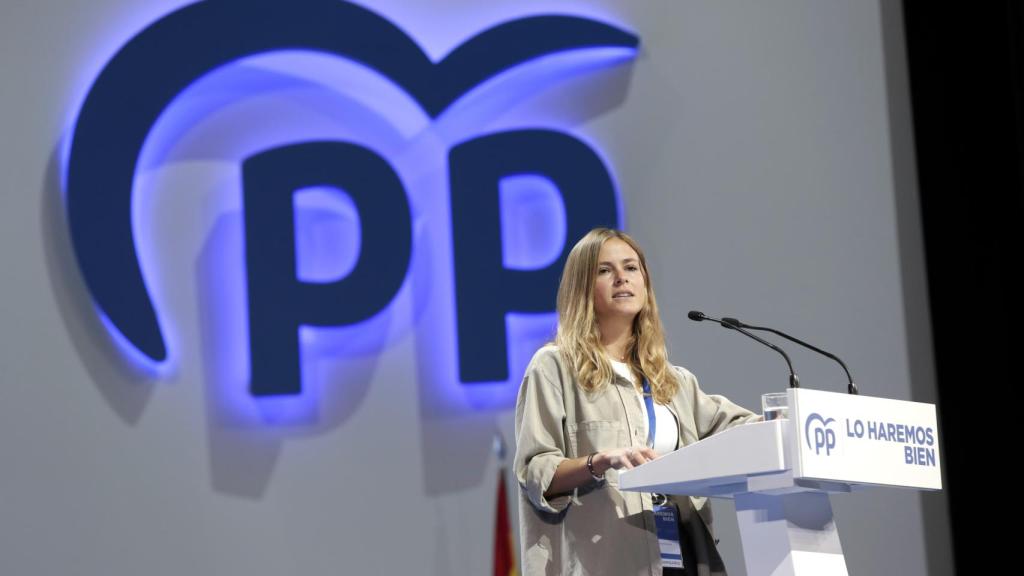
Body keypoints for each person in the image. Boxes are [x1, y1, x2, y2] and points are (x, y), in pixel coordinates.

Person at [514, 228, 760, 576]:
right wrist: (600, 461)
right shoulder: (554, 367)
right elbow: (536, 471)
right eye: (604, 270)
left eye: (631, 268)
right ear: (581, 287)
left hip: (680, 559)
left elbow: (742, 428)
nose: (621, 279)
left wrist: (792, 421)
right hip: (606, 562)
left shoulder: (673, 381)